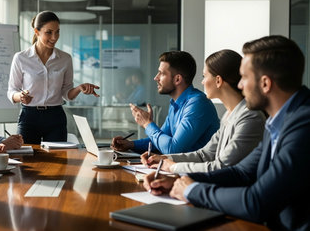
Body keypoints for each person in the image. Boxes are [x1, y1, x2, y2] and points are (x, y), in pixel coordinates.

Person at [143, 36, 310, 230]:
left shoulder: (303, 125)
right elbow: (241, 172)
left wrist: (191, 189)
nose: (239, 85)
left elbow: (257, 201)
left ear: (265, 84)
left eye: (245, 78)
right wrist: (175, 181)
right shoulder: (279, 121)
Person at [141, 50, 265, 173]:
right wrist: (164, 159)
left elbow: (221, 167)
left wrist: (172, 166)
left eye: (204, 76)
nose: (202, 82)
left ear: (218, 81)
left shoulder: (250, 117)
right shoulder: (229, 115)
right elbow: (204, 155)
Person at [7, 11, 100, 144]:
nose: (54, 37)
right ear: (37, 32)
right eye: (49, 32)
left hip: (55, 117)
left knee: (59, 160)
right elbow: (11, 90)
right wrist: (20, 96)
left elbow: (67, 94)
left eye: (57, 32)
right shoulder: (21, 58)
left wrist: (79, 88)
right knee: (26, 159)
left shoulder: (65, 59)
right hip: (29, 117)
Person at [112, 51, 220, 155]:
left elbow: (173, 149)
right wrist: (130, 144)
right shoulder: (175, 103)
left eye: (161, 73)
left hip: (196, 172)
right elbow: (159, 141)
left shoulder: (197, 104)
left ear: (177, 79)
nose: (156, 78)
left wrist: (147, 124)